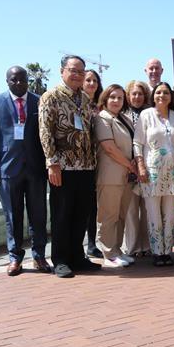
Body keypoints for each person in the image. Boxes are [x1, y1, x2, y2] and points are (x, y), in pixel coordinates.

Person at [0, 66, 50, 276]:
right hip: (8, 169)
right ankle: (14, 258)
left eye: (22, 79)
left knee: (38, 215)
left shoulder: (39, 101)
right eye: (14, 80)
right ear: (7, 81)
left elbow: (47, 136)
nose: (18, 83)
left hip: (36, 169)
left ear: (28, 81)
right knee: (12, 217)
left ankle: (39, 256)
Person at [38, 55, 98, 278]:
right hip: (62, 167)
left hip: (85, 166)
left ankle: (77, 257)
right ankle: (61, 260)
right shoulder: (50, 97)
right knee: (62, 214)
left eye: (81, 71)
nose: (78, 75)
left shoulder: (84, 98)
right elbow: (45, 131)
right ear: (62, 71)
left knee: (81, 214)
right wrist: (52, 163)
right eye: (73, 70)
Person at [134, 82, 174, 266]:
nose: (162, 96)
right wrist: (140, 167)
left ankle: (167, 252)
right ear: (153, 95)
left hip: (172, 174)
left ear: (170, 97)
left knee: (169, 216)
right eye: (158, 92)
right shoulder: (145, 115)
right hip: (151, 174)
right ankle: (157, 252)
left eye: (165, 93)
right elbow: (137, 144)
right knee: (154, 215)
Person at [94, 84, 137, 268]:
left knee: (120, 215)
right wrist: (130, 164)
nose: (116, 101)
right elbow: (110, 148)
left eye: (120, 98)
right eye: (112, 97)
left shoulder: (124, 119)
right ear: (105, 99)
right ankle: (108, 253)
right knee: (108, 215)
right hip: (110, 176)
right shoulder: (102, 118)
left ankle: (117, 250)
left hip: (125, 176)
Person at [122, 80, 151, 258]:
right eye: (134, 93)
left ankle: (147, 245)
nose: (137, 97)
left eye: (140, 93)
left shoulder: (151, 114)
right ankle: (132, 247)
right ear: (128, 95)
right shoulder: (122, 114)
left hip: (148, 166)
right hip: (128, 167)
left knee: (147, 210)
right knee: (131, 210)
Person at [82, 69, 104, 259]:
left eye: (94, 80)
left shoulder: (101, 107)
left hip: (99, 161)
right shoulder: (76, 104)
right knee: (84, 206)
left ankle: (92, 244)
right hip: (81, 163)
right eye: (88, 80)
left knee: (94, 207)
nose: (91, 83)